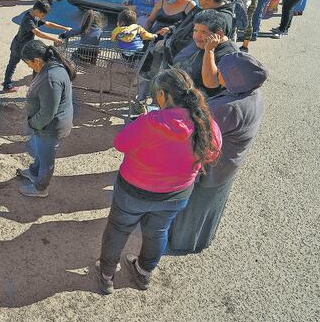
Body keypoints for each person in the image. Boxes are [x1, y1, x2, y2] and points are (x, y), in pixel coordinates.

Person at [95, 68, 221, 295]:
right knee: (157, 231)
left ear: (164, 95)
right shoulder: (207, 124)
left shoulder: (151, 121)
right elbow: (211, 154)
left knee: (118, 229)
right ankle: (144, 273)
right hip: (176, 194)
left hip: (133, 190)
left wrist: (140, 122)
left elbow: (121, 143)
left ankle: (106, 275)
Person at [169, 53, 266, 254]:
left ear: (236, 77)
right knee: (209, 207)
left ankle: (182, 242)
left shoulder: (228, 108)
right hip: (227, 166)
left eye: (221, 72)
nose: (218, 74)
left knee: (194, 208)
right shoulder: (251, 94)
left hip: (212, 169)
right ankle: (200, 238)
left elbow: (195, 134)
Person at [16, 40, 74, 197]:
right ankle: (34, 172)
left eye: (29, 64)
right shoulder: (51, 67)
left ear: (37, 60)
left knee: (46, 160)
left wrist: (33, 124)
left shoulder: (50, 78)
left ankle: (40, 188)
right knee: (41, 152)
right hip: (46, 126)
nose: (29, 67)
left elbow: (48, 112)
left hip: (50, 128)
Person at [2, 0, 67, 93]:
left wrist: (64, 28)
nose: (43, 17)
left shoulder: (34, 17)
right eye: (43, 14)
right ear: (37, 11)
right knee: (37, 65)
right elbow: (38, 33)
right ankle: (34, 89)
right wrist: (55, 39)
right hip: (23, 48)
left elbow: (48, 24)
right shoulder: (28, 20)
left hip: (17, 44)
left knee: (12, 65)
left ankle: (7, 86)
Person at [173, 9, 238, 97]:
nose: (196, 36)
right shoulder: (201, 42)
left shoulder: (230, 55)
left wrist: (209, 50)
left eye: (203, 32)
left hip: (207, 104)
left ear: (218, 34)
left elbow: (211, 84)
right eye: (195, 30)